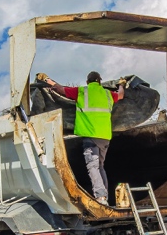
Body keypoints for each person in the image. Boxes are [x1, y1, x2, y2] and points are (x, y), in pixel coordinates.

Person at [37, 71, 126, 205]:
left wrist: (48, 80)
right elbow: (120, 95)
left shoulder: (82, 91)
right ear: (100, 81)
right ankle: (104, 197)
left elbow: (60, 89)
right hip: (105, 138)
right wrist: (121, 85)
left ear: (87, 82)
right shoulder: (108, 94)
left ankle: (101, 197)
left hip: (90, 137)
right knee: (100, 167)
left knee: (93, 167)